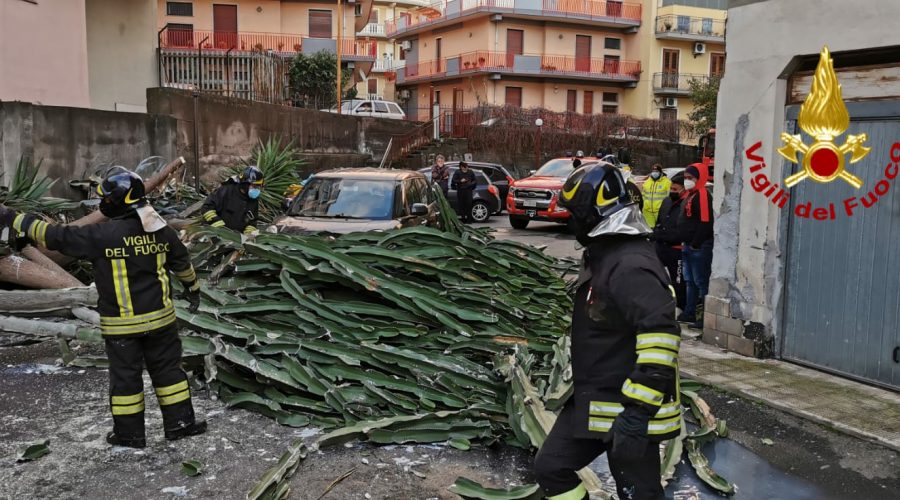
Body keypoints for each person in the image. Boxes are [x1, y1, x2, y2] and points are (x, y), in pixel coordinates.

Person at [0, 167, 206, 449]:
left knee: (126, 382)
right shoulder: (161, 230)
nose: (101, 204)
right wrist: (193, 290)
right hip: (161, 322)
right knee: (170, 373)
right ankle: (180, 425)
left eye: (104, 199)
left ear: (115, 202)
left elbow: (55, 236)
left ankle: (130, 435)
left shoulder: (100, 235)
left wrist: (13, 219)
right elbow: (182, 263)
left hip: (122, 327)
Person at [534, 162, 681, 500]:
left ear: (593, 215)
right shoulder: (610, 255)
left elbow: (662, 337)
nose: (572, 223)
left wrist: (636, 413)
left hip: (629, 411)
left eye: (575, 215)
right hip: (597, 400)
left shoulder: (630, 265)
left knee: (638, 493)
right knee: (551, 468)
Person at [677, 163, 714, 329]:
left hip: (698, 247)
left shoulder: (703, 194)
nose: (687, 181)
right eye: (685, 178)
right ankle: (689, 312)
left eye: (690, 178)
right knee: (689, 281)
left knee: (700, 282)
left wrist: (696, 243)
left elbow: (705, 222)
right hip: (688, 245)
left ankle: (703, 316)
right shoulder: (690, 195)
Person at [652, 172, 687, 311]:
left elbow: (683, 230)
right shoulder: (667, 201)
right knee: (655, 277)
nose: (672, 191)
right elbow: (659, 221)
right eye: (671, 189)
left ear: (683, 189)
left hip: (677, 250)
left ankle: (680, 308)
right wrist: (656, 234)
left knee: (678, 282)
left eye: (675, 189)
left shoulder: (685, 204)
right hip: (661, 247)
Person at [200, 166, 264, 235]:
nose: (257, 190)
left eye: (259, 187)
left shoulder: (253, 200)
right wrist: (219, 227)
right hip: (213, 235)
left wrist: (249, 234)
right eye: (254, 186)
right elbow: (207, 208)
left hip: (235, 241)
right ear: (245, 184)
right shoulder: (226, 191)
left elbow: (252, 221)